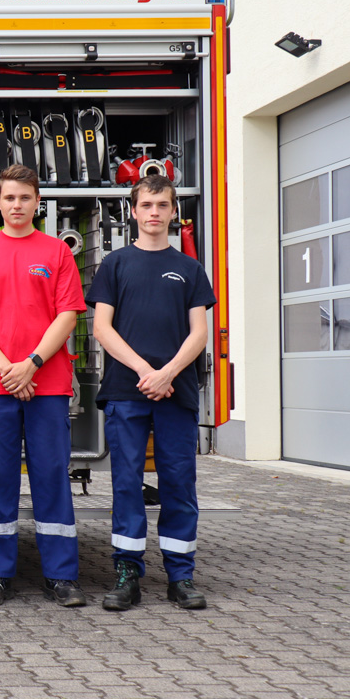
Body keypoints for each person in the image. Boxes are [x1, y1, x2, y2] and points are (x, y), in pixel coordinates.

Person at [0, 164, 87, 608]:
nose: (16, 205)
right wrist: (9, 369)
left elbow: (68, 315)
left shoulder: (57, 253)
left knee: (51, 475)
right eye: (9, 198)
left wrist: (30, 364)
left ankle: (61, 577)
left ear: (37, 202)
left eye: (25, 198)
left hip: (46, 382)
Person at [87, 175, 216, 611]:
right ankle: (127, 574)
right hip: (128, 388)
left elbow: (200, 332)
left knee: (179, 482)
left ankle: (181, 576)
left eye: (163, 205)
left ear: (174, 212)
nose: (155, 212)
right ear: (134, 212)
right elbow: (101, 327)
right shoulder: (115, 264)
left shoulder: (191, 269)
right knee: (126, 482)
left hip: (175, 392)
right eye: (147, 205)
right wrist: (145, 370)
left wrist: (169, 373)